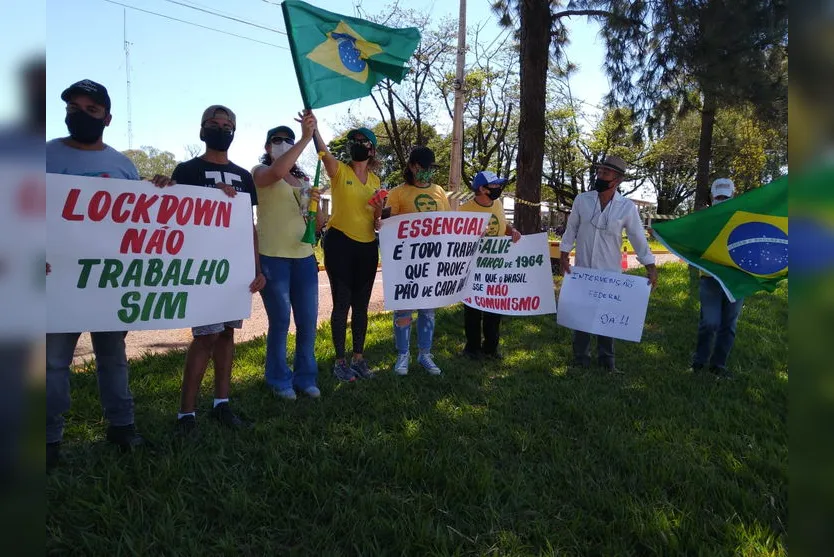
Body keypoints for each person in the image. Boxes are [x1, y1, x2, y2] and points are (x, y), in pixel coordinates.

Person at [46, 79, 145, 468]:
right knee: (52, 363)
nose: (80, 115)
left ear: (107, 117)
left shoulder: (122, 165)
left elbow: (142, 221)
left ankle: (122, 427)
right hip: (55, 278)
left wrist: (162, 190)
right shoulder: (43, 156)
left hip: (109, 280)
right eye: (73, 108)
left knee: (113, 356)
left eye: (90, 109)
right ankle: (49, 439)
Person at [151, 105, 265, 434]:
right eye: (214, 124)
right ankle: (186, 414)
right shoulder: (187, 170)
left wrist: (256, 266)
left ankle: (221, 403)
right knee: (205, 336)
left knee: (227, 333)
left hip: (235, 268)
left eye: (228, 124)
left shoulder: (244, 176)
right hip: (203, 267)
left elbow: (249, 226)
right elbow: (173, 213)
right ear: (202, 130)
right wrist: (161, 187)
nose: (221, 128)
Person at [559, 155, 658, 373]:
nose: (600, 176)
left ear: (618, 179)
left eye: (606, 173)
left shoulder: (626, 208)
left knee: (607, 317)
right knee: (581, 315)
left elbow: (637, 238)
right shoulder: (582, 200)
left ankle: (607, 362)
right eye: (599, 172)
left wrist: (650, 266)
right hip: (584, 270)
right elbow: (571, 228)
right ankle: (580, 359)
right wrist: (564, 254)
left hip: (610, 273)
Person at [251, 115, 325, 399]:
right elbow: (276, 173)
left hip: (304, 257)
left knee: (307, 321)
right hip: (273, 258)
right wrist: (307, 138)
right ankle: (279, 379)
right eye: (277, 141)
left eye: (287, 140)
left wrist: (315, 203)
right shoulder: (260, 171)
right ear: (268, 147)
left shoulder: (304, 180)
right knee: (280, 321)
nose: (282, 145)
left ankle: (306, 377)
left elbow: (316, 224)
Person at [312, 119, 384, 382]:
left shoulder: (376, 180)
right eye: (354, 142)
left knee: (361, 306)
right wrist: (314, 130)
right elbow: (323, 154)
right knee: (342, 303)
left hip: (367, 247)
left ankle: (359, 358)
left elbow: (375, 218)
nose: (357, 146)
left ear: (372, 150)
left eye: (363, 142)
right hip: (340, 243)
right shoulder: (340, 170)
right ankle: (340, 362)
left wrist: (378, 211)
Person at [383, 146, 451, 376]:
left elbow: (449, 223)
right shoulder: (398, 193)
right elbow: (388, 225)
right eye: (423, 167)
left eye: (430, 168)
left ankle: (425, 353)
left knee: (428, 309)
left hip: (432, 260)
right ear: (412, 167)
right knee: (404, 309)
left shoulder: (440, 191)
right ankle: (403, 354)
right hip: (406, 263)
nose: (427, 172)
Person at [459, 171, 521, 360]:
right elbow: (458, 241)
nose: (498, 189)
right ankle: (472, 348)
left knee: (495, 307)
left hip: (496, 267)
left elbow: (503, 225)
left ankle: (491, 348)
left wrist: (513, 231)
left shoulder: (499, 204)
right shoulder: (464, 210)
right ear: (482, 189)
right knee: (473, 310)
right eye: (494, 186)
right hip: (473, 268)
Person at [692, 178, 743, 380]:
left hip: (735, 279)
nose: (721, 199)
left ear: (733, 196)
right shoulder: (704, 219)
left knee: (729, 324)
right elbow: (688, 239)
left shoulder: (742, 217)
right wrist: (662, 234)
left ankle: (718, 366)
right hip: (710, 278)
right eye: (718, 196)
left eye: (725, 196)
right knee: (710, 322)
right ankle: (699, 361)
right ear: (712, 197)